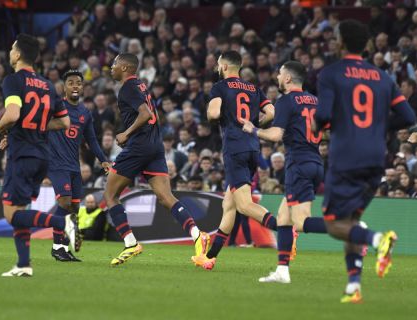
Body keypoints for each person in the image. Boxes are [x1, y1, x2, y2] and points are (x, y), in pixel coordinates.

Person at [314, 20, 417, 303]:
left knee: (335, 225)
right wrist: (378, 125)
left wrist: (316, 128)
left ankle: (378, 240)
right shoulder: (383, 77)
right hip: (375, 158)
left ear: (342, 42)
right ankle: (353, 287)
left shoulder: (331, 74)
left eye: (335, 38)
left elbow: (322, 114)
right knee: (352, 222)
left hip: (346, 156)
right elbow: (409, 118)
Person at [0, 34, 80, 277]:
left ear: (17, 54)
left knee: (12, 214)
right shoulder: (48, 85)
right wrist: (34, 125)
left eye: (11, 48)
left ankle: (62, 223)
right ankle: (24, 264)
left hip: (22, 154)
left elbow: (13, 113)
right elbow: (64, 122)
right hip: (42, 155)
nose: (10, 52)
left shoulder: (13, 81)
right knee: (20, 210)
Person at [104, 53, 210, 266]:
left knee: (110, 195)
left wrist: (126, 134)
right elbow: (155, 116)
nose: (111, 67)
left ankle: (130, 243)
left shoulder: (128, 88)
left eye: (115, 64)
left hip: (139, 147)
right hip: (154, 146)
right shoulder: (142, 86)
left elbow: (144, 114)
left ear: (125, 68)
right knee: (165, 197)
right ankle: (197, 234)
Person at [242, 61, 328, 284]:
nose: (277, 77)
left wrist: (254, 129)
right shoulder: (315, 101)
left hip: (298, 163)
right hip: (315, 161)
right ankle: (282, 271)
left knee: (300, 222)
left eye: (280, 74)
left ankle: (351, 227)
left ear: (288, 78)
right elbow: (326, 130)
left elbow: (276, 136)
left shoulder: (286, 100)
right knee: (283, 219)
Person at [191, 50, 276, 270]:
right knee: (228, 204)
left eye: (219, 64)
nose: (217, 68)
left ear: (225, 66)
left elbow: (213, 113)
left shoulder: (220, 87)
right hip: (252, 148)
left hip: (234, 148)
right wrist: (255, 124)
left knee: (245, 205)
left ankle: (286, 228)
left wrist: (216, 116)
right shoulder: (254, 88)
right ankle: (209, 257)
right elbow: (271, 111)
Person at [47, 70, 110, 262]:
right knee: (64, 203)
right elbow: (34, 122)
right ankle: (57, 246)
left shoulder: (84, 112)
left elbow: (91, 139)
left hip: (74, 166)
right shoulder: (55, 107)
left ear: (82, 87)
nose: (75, 86)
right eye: (71, 82)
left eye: (78, 83)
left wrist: (103, 159)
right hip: (56, 164)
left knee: (74, 209)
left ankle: (64, 247)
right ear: (64, 87)